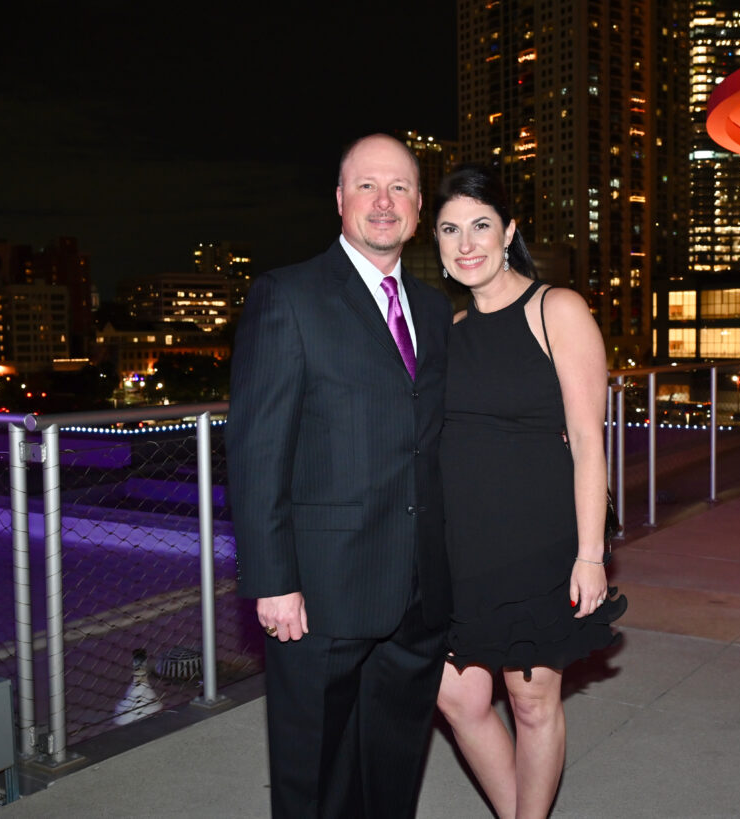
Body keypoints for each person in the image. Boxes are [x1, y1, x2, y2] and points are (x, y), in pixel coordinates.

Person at [226, 133, 452, 818]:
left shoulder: (435, 308)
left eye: (400, 188)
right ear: (339, 200)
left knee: (393, 768)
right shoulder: (286, 296)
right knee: (313, 772)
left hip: (417, 595)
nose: (383, 202)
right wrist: (272, 580)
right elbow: (257, 448)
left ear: (417, 209)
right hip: (321, 591)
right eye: (366, 186)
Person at [432, 164, 626, 818]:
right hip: (464, 551)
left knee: (532, 701)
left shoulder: (556, 309)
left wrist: (592, 554)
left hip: (539, 545)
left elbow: (588, 439)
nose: (466, 243)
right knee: (457, 698)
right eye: (450, 229)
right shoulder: (449, 333)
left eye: (480, 225)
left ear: (509, 230)